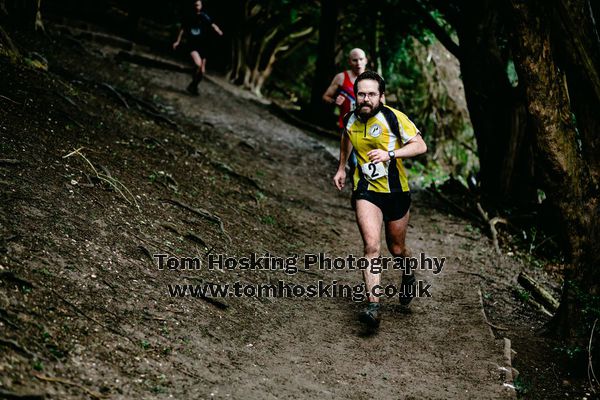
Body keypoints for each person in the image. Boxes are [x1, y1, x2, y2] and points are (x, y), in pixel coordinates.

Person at [333, 71, 427, 328]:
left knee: (396, 249)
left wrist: (390, 154)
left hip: (396, 192)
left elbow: (420, 146)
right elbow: (346, 138)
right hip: (366, 190)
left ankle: (408, 272)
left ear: (381, 97)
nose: (366, 99)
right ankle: (373, 305)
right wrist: (342, 167)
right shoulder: (351, 119)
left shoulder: (393, 117)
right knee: (371, 246)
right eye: (361, 94)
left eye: (371, 94)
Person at [172, 0, 223, 95]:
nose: (197, 7)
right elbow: (182, 30)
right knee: (198, 64)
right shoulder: (188, 17)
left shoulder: (204, 16)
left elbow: (212, 24)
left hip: (203, 45)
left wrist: (218, 30)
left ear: (201, 6)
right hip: (192, 45)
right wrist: (177, 41)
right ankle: (193, 84)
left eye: (198, 5)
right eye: (195, 5)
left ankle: (193, 86)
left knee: (202, 72)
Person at [322, 48, 368, 130]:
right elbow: (326, 97)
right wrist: (335, 101)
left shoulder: (375, 80)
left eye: (361, 59)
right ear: (349, 62)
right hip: (347, 126)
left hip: (367, 127)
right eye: (355, 60)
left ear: (366, 60)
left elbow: (382, 106)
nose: (358, 63)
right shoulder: (341, 77)